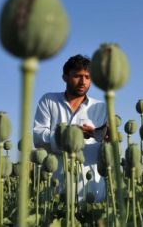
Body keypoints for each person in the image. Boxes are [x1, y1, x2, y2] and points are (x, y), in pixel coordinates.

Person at [33, 54, 107, 202]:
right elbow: (38, 137)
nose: (83, 82)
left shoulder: (101, 107)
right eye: (78, 76)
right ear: (65, 77)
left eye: (87, 77)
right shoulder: (49, 101)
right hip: (56, 188)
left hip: (90, 189)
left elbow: (106, 145)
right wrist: (70, 136)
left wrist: (104, 137)